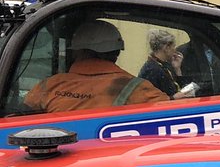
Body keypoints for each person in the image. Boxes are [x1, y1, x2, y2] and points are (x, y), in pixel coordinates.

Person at [23, 20, 172, 114]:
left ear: (77, 51)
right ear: (116, 53)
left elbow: (18, 119)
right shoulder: (137, 88)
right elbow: (171, 115)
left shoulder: (49, 85)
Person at [138, 29, 197, 100]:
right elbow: (150, 99)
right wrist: (173, 98)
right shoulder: (151, 70)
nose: (175, 50)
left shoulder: (164, 65)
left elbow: (181, 88)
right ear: (166, 48)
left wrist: (177, 69)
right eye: (173, 47)